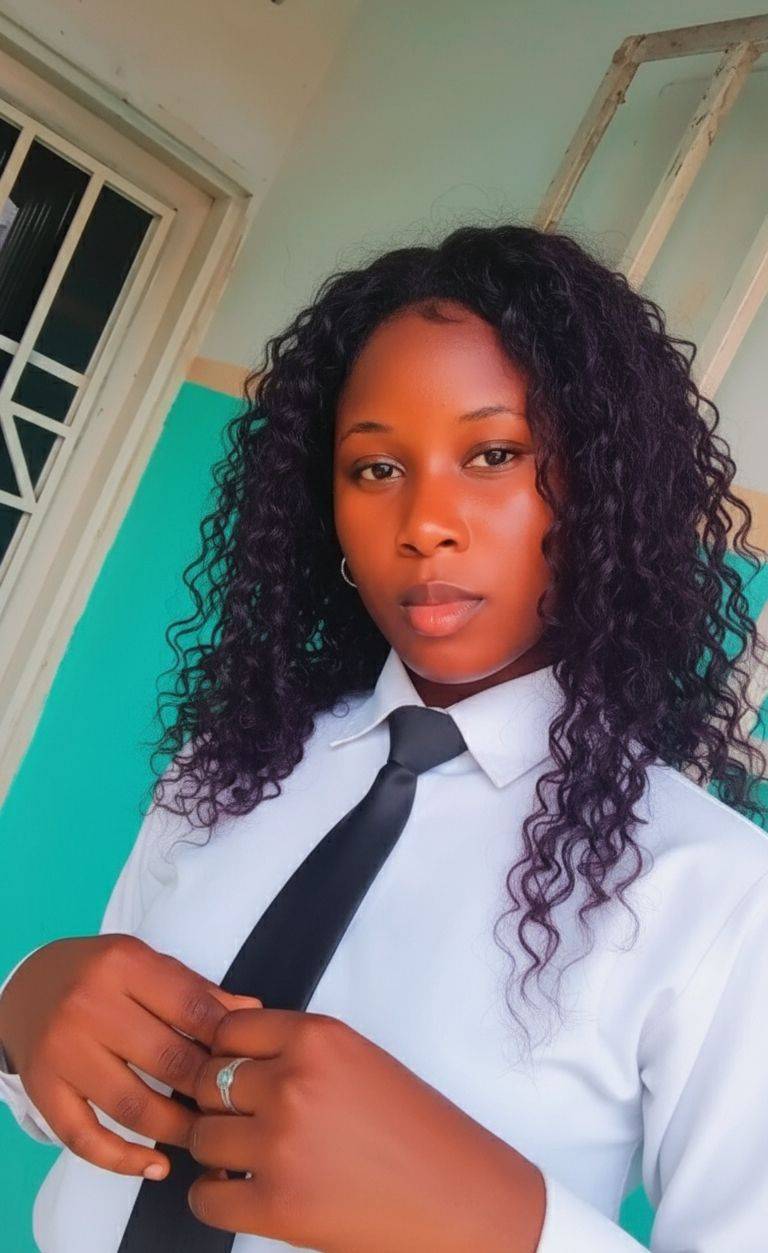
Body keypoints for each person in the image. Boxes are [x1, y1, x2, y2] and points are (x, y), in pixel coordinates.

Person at [1, 221, 767, 1253]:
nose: (424, 522)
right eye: (374, 467)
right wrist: (21, 1017)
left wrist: (500, 1221)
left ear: (603, 490)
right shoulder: (228, 767)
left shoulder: (718, 892)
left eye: (493, 454)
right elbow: (92, 1097)